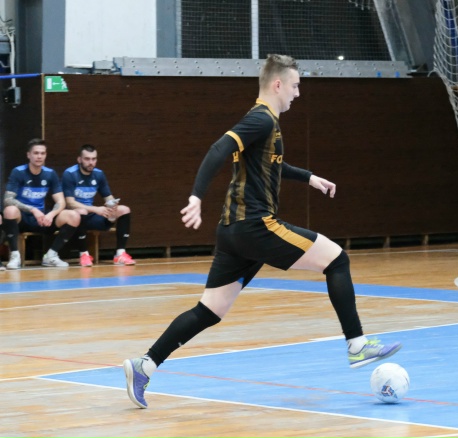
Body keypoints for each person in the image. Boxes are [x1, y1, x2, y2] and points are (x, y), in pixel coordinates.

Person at [122, 54, 401, 409]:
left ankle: (144, 365)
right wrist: (195, 196)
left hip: (232, 232)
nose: (298, 93)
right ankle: (357, 345)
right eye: (295, 86)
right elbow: (218, 148)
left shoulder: (266, 123)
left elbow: (272, 166)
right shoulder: (261, 119)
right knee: (336, 259)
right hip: (255, 226)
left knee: (209, 310)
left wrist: (309, 178)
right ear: (278, 84)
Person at [3, 138, 81, 269]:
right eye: (36, 153)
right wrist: (32, 209)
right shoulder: (18, 172)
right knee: (9, 210)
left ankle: (51, 255)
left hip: (42, 219)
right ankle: (15, 256)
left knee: (74, 216)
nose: (39, 156)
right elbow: (7, 199)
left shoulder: (50, 174)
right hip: (23, 217)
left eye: (42, 153)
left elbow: (61, 201)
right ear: (28, 155)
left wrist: (51, 214)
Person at [62, 144, 135, 267]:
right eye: (87, 159)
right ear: (79, 159)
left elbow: (108, 197)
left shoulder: (99, 174)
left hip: (92, 216)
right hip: (74, 218)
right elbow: (70, 203)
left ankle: (120, 254)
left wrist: (112, 204)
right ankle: (84, 254)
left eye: (93, 159)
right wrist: (96, 209)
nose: (91, 162)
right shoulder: (70, 174)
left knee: (124, 210)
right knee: (81, 211)